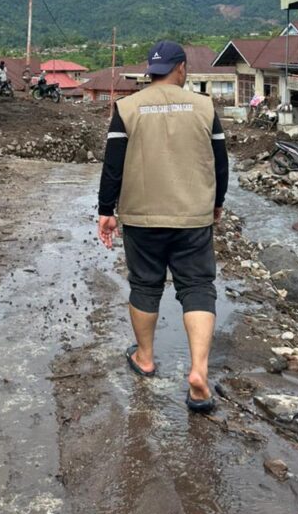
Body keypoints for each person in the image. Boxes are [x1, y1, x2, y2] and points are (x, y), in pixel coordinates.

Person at [97, 40, 228, 413]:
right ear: (181, 69)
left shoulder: (127, 108)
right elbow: (220, 163)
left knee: (144, 285)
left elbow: (113, 165)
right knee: (198, 286)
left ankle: (145, 357)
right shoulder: (204, 107)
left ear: (151, 71)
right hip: (193, 216)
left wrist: (106, 209)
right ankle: (199, 374)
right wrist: (216, 203)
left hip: (141, 217)